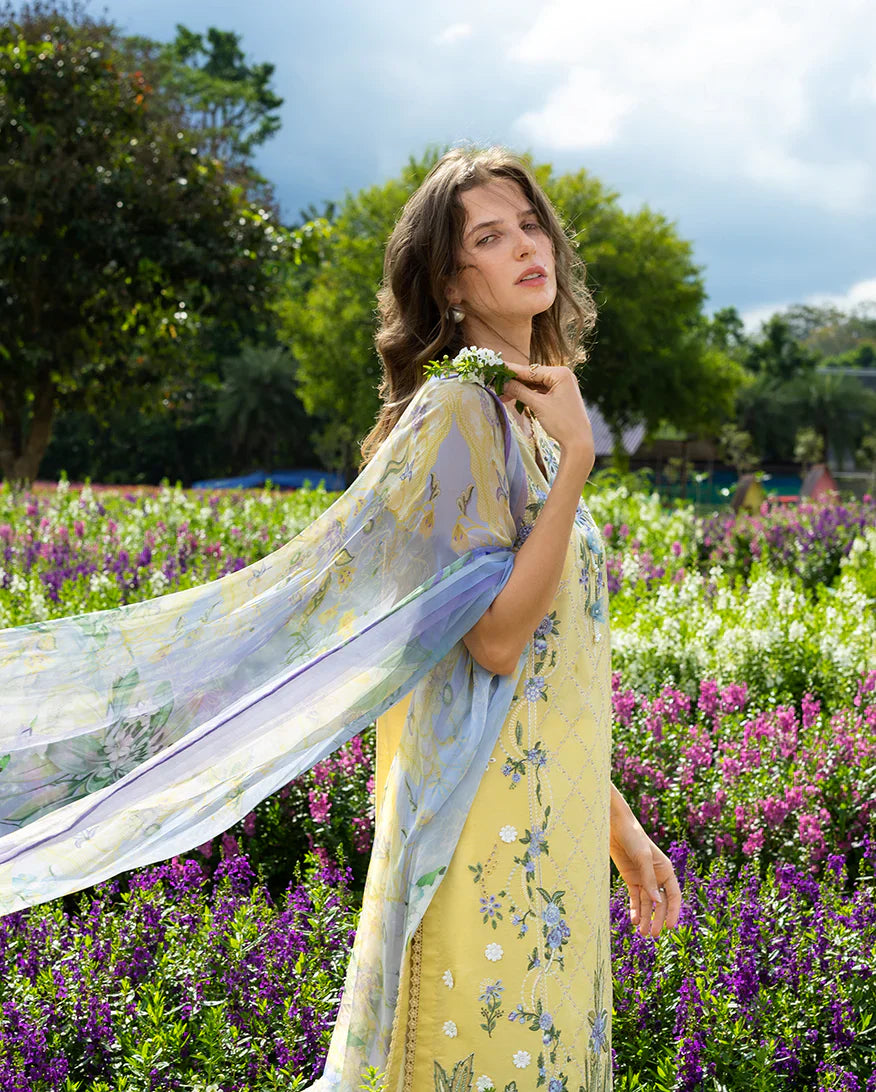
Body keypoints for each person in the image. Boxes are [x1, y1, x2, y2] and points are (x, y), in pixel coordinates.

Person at [0, 145, 680, 1092]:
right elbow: (495, 644)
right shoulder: (461, 413)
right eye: (491, 237)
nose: (529, 246)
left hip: (549, 823)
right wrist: (577, 464)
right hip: (483, 832)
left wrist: (619, 827)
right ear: (450, 283)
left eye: (531, 225)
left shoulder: (526, 413)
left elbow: (545, 671)